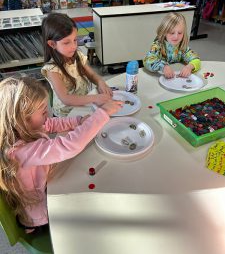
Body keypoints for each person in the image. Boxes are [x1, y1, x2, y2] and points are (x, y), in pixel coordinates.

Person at [0, 77, 123, 233]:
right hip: (41, 210)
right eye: (43, 111)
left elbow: (51, 124)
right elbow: (69, 145)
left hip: (44, 182)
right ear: (21, 119)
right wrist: (103, 113)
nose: (47, 115)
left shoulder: (26, 127)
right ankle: (31, 225)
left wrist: (77, 121)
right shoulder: (20, 152)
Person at [41, 12, 113, 117]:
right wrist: (95, 98)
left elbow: (92, 75)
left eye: (75, 40)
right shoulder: (52, 69)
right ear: (52, 44)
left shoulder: (77, 55)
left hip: (83, 106)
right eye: (67, 42)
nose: (74, 46)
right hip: (66, 115)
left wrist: (100, 82)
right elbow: (66, 98)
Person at [143, 12, 201, 78]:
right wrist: (163, 67)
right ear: (164, 32)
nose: (176, 36)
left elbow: (196, 59)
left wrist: (190, 67)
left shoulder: (182, 47)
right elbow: (147, 60)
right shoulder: (157, 45)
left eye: (180, 33)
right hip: (159, 78)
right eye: (172, 33)